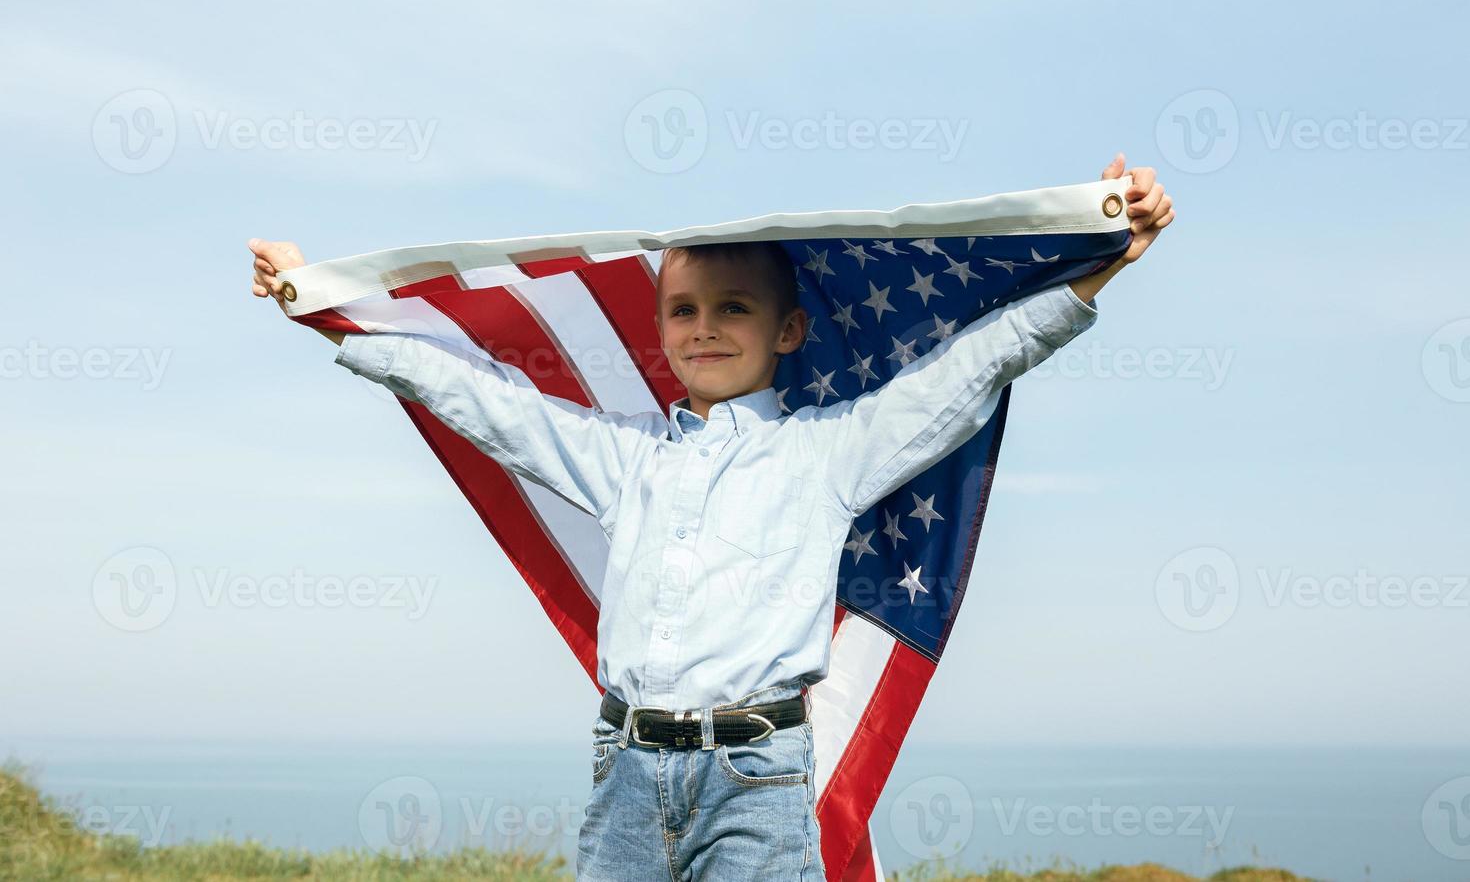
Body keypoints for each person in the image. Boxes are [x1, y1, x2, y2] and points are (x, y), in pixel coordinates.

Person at [248, 154, 1174, 881]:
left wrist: (1103, 263)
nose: (704, 328)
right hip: (627, 773)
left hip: (756, 781)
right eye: (684, 311)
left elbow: (967, 372)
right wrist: (331, 318)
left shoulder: (830, 450)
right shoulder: (628, 459)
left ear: (789, 331)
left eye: (733, 308)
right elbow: (493, 404)